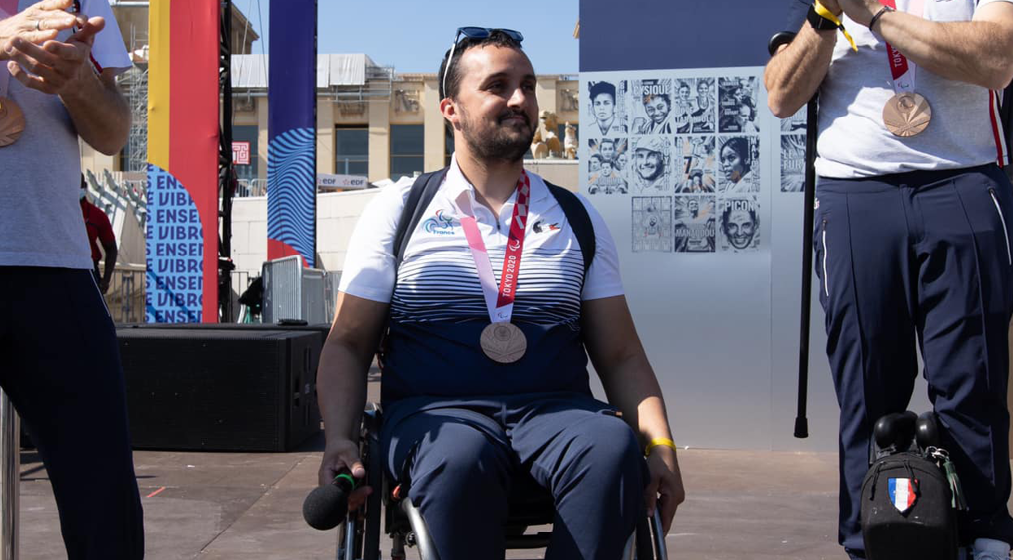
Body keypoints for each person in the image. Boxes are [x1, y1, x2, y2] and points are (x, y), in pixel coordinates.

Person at [315, 28, 684, 559]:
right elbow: (348, 344)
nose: (520, 99)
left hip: (556, 413)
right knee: (458, 456)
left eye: (528, 85)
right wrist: (340, 441)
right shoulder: (398, 212)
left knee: (612, 449)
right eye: (498, 85)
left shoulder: (577, 218)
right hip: (435, 414)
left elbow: (623, 355)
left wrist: (663, 447)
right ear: (452, 109)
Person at [766, 0, 1013, 558]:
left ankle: (987, 536)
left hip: (963, 177)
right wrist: (827, 16)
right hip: (855, 191)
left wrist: (876, 15)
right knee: (866, 388)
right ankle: (868, 538)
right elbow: (781, 95)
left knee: (972, 380)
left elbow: (997, 60)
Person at [0, 0, 143, 558]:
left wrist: (77, 81)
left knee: (104, 511)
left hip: (53, 263)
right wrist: (7, 35)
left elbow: (113, 133)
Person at [80, 176, 117, 293]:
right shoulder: (56, 213)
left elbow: (111, 249)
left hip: (89, 269)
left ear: (84, 187)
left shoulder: (97, 215)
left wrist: (105, 280)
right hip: (60, 268)